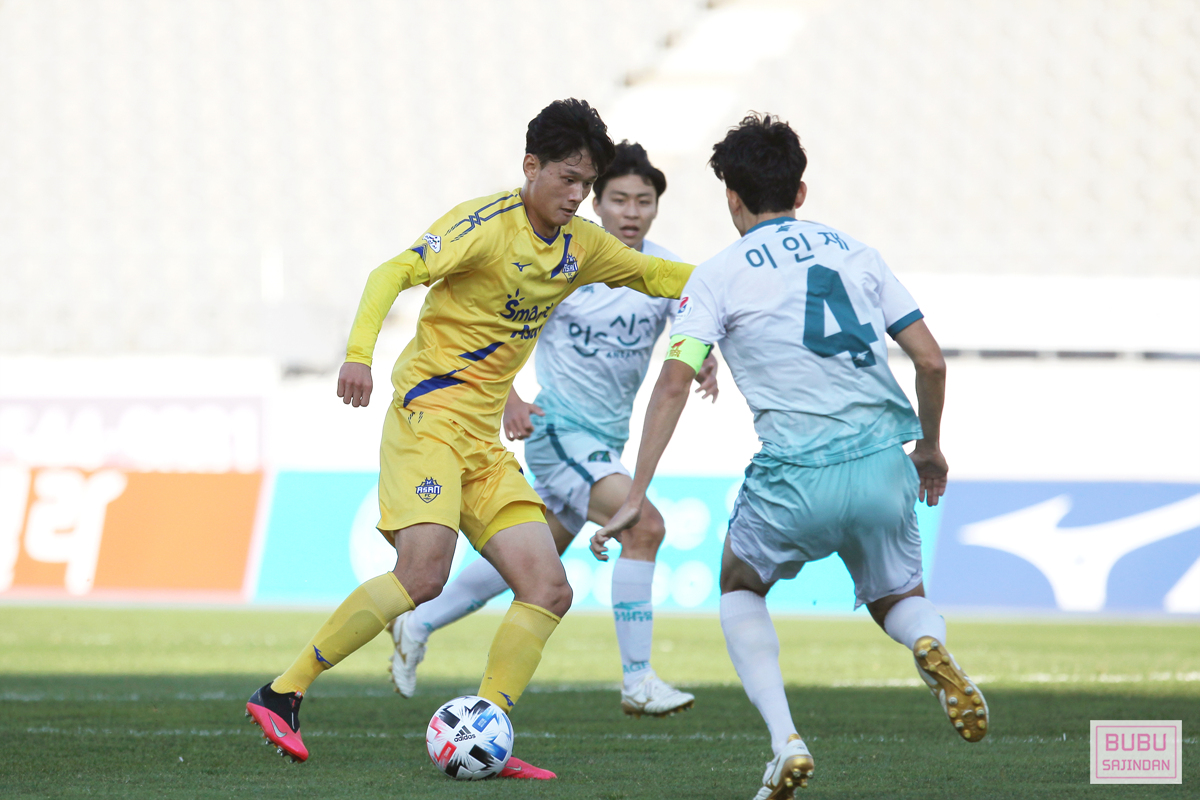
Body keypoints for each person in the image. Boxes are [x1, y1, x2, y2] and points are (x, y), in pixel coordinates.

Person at [244, 99, 695, 776]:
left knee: (549, 588)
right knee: (423, 574)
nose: (578, 195)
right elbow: (390, 273)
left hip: (482, 443)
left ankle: (489, 731)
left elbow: (658, 275)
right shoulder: (483, 226)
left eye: (585, 183)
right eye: (567, 179)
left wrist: (739, 285)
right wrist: (359, 355)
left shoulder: (582, 245)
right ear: (531, 166)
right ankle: (283, 691)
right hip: (427, 422)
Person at [592, 113, 987, 799]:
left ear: (732, 198)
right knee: (898, 596)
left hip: (796, 475)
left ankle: (785, 742)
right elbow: (930, 361)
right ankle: (928, 642)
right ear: (800, 192)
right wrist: (929, 447)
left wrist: (635, 491)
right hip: (883, 463)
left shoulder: (715, 276)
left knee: (740, 583)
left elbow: (676, 381)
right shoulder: (858, 254)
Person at [386, 141, 718, 718]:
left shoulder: (655, 269)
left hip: (603, 442)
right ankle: (638, 679)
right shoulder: (569, 260)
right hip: (558, 430)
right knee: (645, 527)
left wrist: (703, 356)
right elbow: (501, 327)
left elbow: (686, 319)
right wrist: (511, 398)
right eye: (619, 199)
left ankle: (419, 622)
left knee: (539, 561)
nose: (632, 212)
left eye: (644, 201)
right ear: (596, 203)